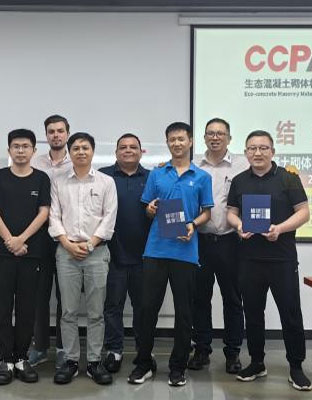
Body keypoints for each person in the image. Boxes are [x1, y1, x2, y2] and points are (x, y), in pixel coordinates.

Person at [128, 122, 213, 387]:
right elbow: (148, 209)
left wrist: (193, 224)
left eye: (181, 139)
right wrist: (151, 209)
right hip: (155, 250)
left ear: (190, 141)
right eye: (172, 139)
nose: (176, 143)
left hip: (186, 252)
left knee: (184, 313)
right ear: (167, 143)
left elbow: (207, 213)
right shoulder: (157, 174)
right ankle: (143, 363)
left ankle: (178, 367)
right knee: (147, 309)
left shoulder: (202, 177)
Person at [227, 130, 312, 391]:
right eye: (252, 148)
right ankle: (257, 362)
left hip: (282, 260)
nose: (257, 153)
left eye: (263, 148)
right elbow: (231, 213)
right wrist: (239, 225)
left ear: (272, 151)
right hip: (249, 259)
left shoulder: (288, 179)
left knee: (290, 313)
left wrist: (280, 229)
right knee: (253, 314)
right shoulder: (239, 181)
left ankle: (296, 366)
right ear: (246, 152)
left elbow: (304, 212)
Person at [0, 129, 51, 385]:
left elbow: (44, 213)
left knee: (26, 309)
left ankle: (21, 358)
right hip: (2, 254)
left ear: (34, 150)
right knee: (2, 307)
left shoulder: (41, 178)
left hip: (31, 253)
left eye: (25, 146)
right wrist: (11, 240)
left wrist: (22, 240)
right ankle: (5, 359)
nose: (21, 150)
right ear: (9, 150)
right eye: (16, 146)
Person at [49, 132, 118, 385]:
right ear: (69, 152)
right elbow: (54, 216)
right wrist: (67, 244)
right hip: (66, 252)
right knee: (68, 311)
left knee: (96, 312)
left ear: (92, 151)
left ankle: (93, 362)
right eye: (76, 148)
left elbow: (109, 218)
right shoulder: (58, 182)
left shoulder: (106, 182)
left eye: (85, 148)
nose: (80, 152)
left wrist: (89, 244)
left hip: (96, 253)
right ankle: (70, 361)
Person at [189, 118, 248, 374]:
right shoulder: (192, 165)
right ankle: (202, 350)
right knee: (199, 298)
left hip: (230, 242)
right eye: (210, 133)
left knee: (232, 299)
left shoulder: (242, 164)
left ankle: (233, 353)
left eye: (220, 133)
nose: (215, 137)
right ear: (204, 138)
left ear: (229, 138)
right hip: (199, 241)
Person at [99, 133, 150, 373]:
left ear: (141, 151)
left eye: (133, 147)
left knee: (143, 307)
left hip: (145, 257)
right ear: (116, 152)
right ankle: (114, 350)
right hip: (112, 254)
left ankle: (144, 350)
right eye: (123, 147)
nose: (128, 150)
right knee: (112, 306)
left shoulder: (152, 177)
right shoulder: (103, 176)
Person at [29, 114, 72, 369]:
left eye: (60, 131)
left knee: (66, 297)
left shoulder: (77, 160)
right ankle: (40, 347)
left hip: (68, 236)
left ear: (67, 133)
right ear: (46, 136)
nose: (56, 135)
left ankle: (64, 349)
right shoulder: (35, 162)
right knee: (39, 295)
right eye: (51, 132)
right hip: (40, 236)